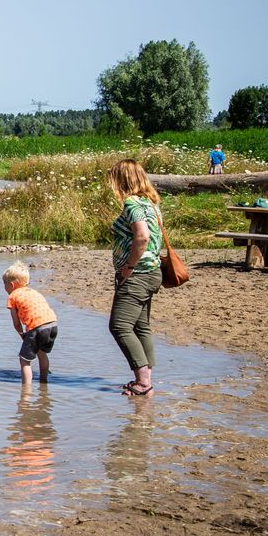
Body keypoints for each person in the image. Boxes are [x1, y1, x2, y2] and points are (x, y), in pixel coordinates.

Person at [106, 159, 164, 397]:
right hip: (152, 272)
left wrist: (128, 267)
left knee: (119, 326)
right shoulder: (151, 203)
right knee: (141, 326)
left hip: (138, 274)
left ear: (123, 180)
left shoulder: (132, 203)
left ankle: (143, 382)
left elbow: (142, 237)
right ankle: (145, 379)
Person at [3, 261, 58, 387]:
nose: (4, 288)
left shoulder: (13, 296)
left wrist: (22, 334)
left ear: (11, 285)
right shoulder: (33, 292)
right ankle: (44, 382)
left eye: (4, 285)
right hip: (52, 324)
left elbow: (16, 322)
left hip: (37, 327)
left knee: (24, 360)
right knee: (41, 352)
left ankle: (26, 391)